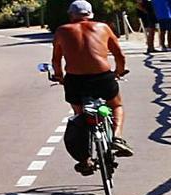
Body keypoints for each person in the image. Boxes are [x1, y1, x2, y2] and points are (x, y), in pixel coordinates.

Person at [51, 0, 133, 164]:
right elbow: (119, 55)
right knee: (116, 106)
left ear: (71, 14)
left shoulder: (62, 31)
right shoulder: (103, 27)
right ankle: (117, 137)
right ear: (90, 14)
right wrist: (119, 71)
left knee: (80, 115)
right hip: (101, 76)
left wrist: (59, 76)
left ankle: (85, 160)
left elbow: (56, 60)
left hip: (75, 80)